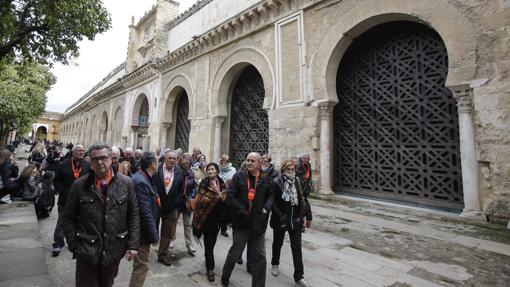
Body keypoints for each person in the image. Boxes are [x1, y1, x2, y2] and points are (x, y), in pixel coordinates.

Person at [62, 144, 140, 287]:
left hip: (114, 250)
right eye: (95, 159)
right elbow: (67, 217)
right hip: (86, 251)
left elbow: (134, 215)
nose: (99, 162)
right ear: (90, 162)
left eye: (103, 158)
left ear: (111, 159)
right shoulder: (79, 185)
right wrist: (74, 245)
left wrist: (133, 244)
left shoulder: (126, 183)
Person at [221, 152, 273, 287]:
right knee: (235, 252)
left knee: (260, 256)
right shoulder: (239, 176)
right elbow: (230, 196)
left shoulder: (265, 178)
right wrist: (243, 211)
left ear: (259, 163)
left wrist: (266, 208)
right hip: (241, 222)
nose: (249, 163)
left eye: (253, 161)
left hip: (258, 223)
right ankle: (225, 276)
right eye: (248, 160)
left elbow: (271, 195)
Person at [270, 160, 312, 287]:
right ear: (283, 170)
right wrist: (281, 216)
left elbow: (303, 198)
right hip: (281, 220)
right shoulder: (277, 182)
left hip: (296, 220)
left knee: (297, 248)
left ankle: (299, 276)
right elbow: (272, 202)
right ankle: (275, 263)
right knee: (278, 243)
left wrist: (308, 215)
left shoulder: (297, 181)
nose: (290, 171)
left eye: (292, 169)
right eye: (288, 169)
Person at [52, 144, 91, 257]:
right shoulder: (63, 164)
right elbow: (57, 180)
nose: (81, 152)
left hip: (82, 200)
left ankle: (75, 242)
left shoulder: (87, 165)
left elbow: (90, 179)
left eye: (83, 151)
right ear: (73, 152)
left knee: (81, 222)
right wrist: (62, 191)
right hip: (66, 199)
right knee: (62, 221)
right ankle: (58, 243)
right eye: (78, 150)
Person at [191, 162, 227, 282]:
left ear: (217, 171)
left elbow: (226, 198)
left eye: (213, 169)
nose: (211, 171)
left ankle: (208, 256)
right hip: (206, 218)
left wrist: (223, 198)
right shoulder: (204, 183)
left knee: (212, 242)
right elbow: (200, 200)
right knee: (208, 243)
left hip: (217, 218)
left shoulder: (221, 183)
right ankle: (210, 269)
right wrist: (214, 197)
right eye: (209, 169)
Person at [128, 152, 160, 287]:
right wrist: (154, 236)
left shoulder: (144, 178)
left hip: (142, 230)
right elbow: (145, 212)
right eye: (157, 163)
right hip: (141, 232)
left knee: (141, 265)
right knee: (141, 266)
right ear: (153, 164)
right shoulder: (140, 181)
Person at [154, 150, 184, 266]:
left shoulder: (179, 172)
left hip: (171, 208)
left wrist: (176, 203)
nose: (172, 160)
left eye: (174, 158)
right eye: (170, 158)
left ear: (177, 160)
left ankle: (162, 255)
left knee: (167, 234)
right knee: (151, 229)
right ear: (165, 158)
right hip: (156, 206)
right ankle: (144, 252)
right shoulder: (156, 169)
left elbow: (181, 191)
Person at [177, 159, 197, 256]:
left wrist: (192, 195)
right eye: (184, 165)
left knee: (188, 224)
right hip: (178, 202)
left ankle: (189, 245)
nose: (186, 166)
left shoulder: (191, 174)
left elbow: (194, 186)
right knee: (173, 222)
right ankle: (171, 239)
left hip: (187, 202)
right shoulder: (177, 174)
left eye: (188, 164)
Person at [218, 154, 236, 237]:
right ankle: (221, 227)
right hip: (218, 193)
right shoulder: (217, 169)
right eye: (222, 162)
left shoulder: (233, 170)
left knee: (226, 212)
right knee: (219, 212)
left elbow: (234, 181)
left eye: (225, 162)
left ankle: (224, 229)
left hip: (228, 193)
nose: (224, 164)